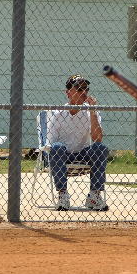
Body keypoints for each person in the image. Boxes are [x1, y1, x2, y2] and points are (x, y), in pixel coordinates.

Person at [47, 75, 108, 211]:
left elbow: (98, 139)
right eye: (79, 89)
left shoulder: (91, 111)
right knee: (57, 147)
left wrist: (92, 112)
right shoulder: (58, 114)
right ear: (68, 93)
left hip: (83, 154)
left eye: (86, 89)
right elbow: (51, 144)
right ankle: (63, 194)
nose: (84, 92)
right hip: (63, 156)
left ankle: (94, 196)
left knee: (100, 148)